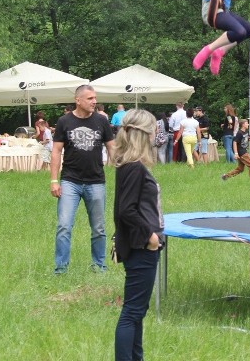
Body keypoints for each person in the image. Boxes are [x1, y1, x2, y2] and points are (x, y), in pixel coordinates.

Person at [112, 109, 164, 361]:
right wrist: (150, 237)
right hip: (141, 247)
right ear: (143, 134)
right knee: (132, 312)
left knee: (136, 311)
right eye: (154, 129)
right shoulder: (134, 168)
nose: (157, 134)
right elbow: (126, 211)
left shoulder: (130, 165)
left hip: (139, 246)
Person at [50, 85, 115, 274]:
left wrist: (124, 169)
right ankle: (61, 269)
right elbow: (56, 151)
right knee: (64, 226)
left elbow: (112, 148)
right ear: (78, 100)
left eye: (95, 98)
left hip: (96, 181)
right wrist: (54, 181)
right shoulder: (64, 121)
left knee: (99, 228)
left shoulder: (101, 121)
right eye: (90, 98)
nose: (94, 101)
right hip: (70, 181)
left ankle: (99, 266)